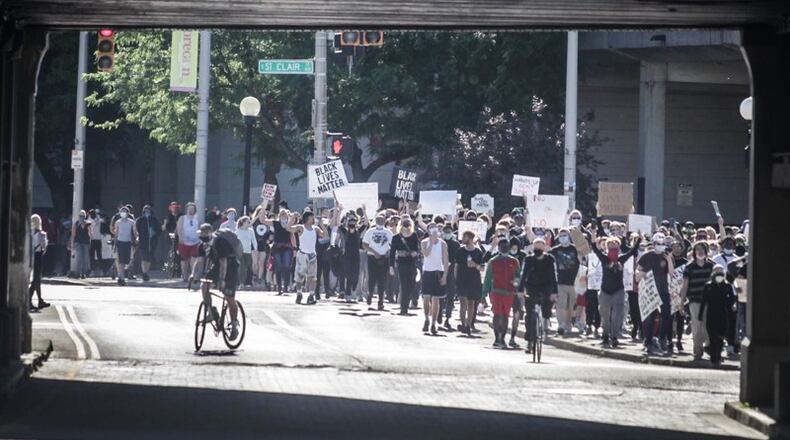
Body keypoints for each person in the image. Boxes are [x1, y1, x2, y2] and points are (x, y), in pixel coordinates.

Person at [587, 231, 641, 348]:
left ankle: (615, 336)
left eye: (615, 246)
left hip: (618, 290)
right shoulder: (604, 259)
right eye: (610, 246)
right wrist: (593, 236)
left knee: (617, 315)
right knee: (605, 315)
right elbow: (595, 249)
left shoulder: (621, 259)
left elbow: (632, 252)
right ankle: (605, 335)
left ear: (619, 247)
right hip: (605, 290)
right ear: (607, 247)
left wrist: (639, 241)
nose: (613, 248)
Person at [198, 224, 243, 341]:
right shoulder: (202, 245)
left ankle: (234, 325)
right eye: (201, 233)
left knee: (229, 297)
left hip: (231, 266)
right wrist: (193, 275)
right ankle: (211, 312)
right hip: (217, 266)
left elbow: (224, 262)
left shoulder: (219, 242)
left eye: (206, 232)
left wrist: (222, 280)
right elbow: (199, 261)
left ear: (211, 232)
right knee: (204, 284)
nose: (203, 235)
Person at [636, 232, 675, 355]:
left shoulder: (666, 257)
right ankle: (648, 341)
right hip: (650, 291)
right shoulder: (647, 256)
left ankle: (661, 337)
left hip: (663, 290)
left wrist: (669, 258)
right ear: (653, 244)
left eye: (663, 244)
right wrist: (639, 274)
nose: (661, 246)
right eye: (659, 243)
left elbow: (671, 273)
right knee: (649, 317)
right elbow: (638, 270)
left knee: (667, 315)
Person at [519, 237, 558, 352]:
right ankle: (530, 340)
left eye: (540, 246)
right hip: (531, 288)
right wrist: (521, 290)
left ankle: (544, 326)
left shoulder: (550, 259)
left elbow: (553, 276)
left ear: (544, 247)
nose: (538, 248)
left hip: (546, 288)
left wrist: (554, 292)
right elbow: (523, 275)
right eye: (536, 246)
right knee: (529, 315)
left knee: (546, 310)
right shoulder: (529, 259)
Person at [483, 238, 521, 348]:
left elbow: (519, 275)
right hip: (496, 292)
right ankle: (496, 338)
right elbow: (488, 278)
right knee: (497, 315)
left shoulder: (514, 261)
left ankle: (503, 338)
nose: (505, 248)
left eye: (507, 246)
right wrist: (484, 293)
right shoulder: (493, 261)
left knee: (505, 316)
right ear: (499, 248)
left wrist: (516, 282)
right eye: (502, 246)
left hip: (509, 293)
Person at [680, 241, 715, 360]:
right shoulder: (689, 267)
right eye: (697, 249)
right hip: (694, 299)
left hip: (709, 300)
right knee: (696, 324)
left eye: (702, 249)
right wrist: (681, 303)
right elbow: (684, 286)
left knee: (708, 324)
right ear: (694, 252)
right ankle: (697, 349)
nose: (700, 251)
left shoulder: (712, 266)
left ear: (706, 251)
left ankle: (709, 346)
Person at [698, 265, 736, 366]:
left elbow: (732, 300)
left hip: (723, 315)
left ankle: (717, 356)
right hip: (711, 315)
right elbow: (703, 301)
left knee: (720, 337)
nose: (719, 274)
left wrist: (730, 305)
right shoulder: (708, 286)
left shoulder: (727, 286)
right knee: (712, 337)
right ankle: (714, 357)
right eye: (717, 272)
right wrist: (700, 315)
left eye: (721, 272)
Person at [290, 211, 325, 305]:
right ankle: (299, 293)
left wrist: (322, 225)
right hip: (302, 254)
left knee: (313, 277)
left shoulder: (315, 229)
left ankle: (311, 295)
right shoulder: (301, 227)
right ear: (307, 218)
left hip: (312, 255)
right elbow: (288, 228)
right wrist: (292, 218)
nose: (313, 219)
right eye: (311, 217)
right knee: (299, 276)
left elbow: (324, 235)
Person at [420, 223, 449, 335]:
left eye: (435, 228)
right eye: (431, 228)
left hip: (438, 272)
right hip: (427, 272)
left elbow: (445, 260)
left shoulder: (443, 244)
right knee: (426, 297)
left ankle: (433, 323)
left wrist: (445, 275)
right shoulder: (424, 242)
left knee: (436, 299)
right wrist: (431, 243)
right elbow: (426, 254)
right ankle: (427, 318)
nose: (433, 230)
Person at [551, 227, 580, 336]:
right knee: (561, 305)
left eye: (565, 235)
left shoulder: (575, 249)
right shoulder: (555, 250)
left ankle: (568, 325)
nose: (563, 237)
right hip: (560, 281)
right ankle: (561, 325)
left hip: (574, 282)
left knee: (570, 306)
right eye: (561, 235)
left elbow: (582, 260)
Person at [261, 208, 296, 295]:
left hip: (287, 247)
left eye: (285, 214)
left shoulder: (290, 223)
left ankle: (286, 287)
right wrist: (262, 210)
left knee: (287, 267)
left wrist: (295, 248)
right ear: (279, 215)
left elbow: (292, 235)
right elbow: (263, 220)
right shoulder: (275, 223)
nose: (283, 215)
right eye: (281, 214)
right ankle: (279, 287)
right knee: (278, 267)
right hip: (277, 247)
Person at [390, 215, 420, 315]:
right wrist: (391, 266)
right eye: (404, 224)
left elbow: (416, 248)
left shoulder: (414, 235)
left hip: (411, 263)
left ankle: (406, 303)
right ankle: (404, 308)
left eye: (408, 224)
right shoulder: (396, 237)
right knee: (403, 285)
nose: (406, 226)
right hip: (401, 263)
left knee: (411, 284)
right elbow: (392, 253)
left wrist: (415, 253)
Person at [112, 206, 137, 286]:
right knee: (121, 261)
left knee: (127, 261)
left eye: (125, 211)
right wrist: (115, 244)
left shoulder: (131, 222)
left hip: (128, 242)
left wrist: (136, 240)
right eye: (122, 211)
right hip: (120, 242)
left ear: (127, 213)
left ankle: (121, 274)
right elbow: (116, 234)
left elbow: (135, 232)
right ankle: (121, 278)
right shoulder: (118, 222)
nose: (123, 213)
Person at [176, 203, 201, 284]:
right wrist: (180, 238)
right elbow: (179, 228)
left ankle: (193, 275)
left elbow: (200, 228)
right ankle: (184, 275)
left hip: (195, 242)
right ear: (186, 209)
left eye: (192, 208)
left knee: (194, 259)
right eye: (189, 208)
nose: (191, 210)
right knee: (184, 260)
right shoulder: (182, 218)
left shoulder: (197, 218)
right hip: (184, 242)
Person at [134, 205, 160, 282]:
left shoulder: (154, 220)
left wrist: (154, 233)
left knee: (149, 258)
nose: (147, 211)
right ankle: (144, 273)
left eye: (148, 210)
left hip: (152, 242)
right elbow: (136, 230)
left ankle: (146, 272)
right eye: (145, 210)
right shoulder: (140, 220)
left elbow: (159, 230)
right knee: (144, 257)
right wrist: (137, 238)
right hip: (143, 242)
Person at [29, 214, 49, 310]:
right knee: (36, 279)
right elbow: (44, 247)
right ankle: (29, 299)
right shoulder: (41, 234)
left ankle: (40, 300)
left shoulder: (29, 233)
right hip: (38, 256)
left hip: (30, 256)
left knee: (36, 279)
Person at [234, 216, 257, 290]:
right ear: (243, 222)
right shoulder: (237, 231)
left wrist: (255, 249)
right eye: (248, 222)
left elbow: (254, 240)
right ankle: (241, 283)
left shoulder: (251, 231)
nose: (249, 223)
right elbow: (235, 242)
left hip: (248, 251)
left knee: (246, 267)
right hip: (240, 251)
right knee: (242, 267)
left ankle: (242, 281)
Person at [162, 201, 182, 279]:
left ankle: (178, 271)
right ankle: (170, 270)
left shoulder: (181, 216)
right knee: (170, 254)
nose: (175, 209)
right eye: (173, 208)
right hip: (169, 237)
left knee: (178, 255)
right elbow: (164, 228)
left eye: (176, 208)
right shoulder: (168, 216)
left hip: (179, 237)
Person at [70, 210, 91, 278]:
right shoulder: (76, 224)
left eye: (83, 216)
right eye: (80, 216)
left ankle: (84, 273)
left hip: (85, 242)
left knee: (85, 258)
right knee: (79, 257)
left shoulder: (87, 224)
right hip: (78, 242)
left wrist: (88, 227)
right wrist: (72, 246)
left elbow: (90, 234)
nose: (81, 217)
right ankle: (78, 272)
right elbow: (73, 235)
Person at [88, 209, 104, 276]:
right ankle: (92, 270)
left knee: (99, 255)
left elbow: (103, 219)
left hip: (98, 239)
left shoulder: (98, 218)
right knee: (91, 256)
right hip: (92, 239)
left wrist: (98, 215)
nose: (92, 215)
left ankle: (101, 270)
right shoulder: (89, 220)